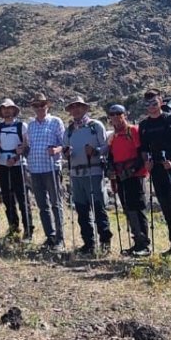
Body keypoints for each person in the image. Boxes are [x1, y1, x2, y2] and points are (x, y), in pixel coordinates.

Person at [138, 89, 171, 259]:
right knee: (165, 206)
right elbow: (143, 149)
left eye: (154, 103)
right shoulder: (144, 125)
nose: (151, 107)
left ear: (161, 101)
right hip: (156, 169)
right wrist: (146, 162)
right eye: (148, 104)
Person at [64, 96, 111, 256]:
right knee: (82, 210)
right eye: (73, 107)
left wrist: (96, 151)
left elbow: (106, 147)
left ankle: (105, 242)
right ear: (70, 111)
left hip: (94, 171)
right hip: (76, 174)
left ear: (85, 108)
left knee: (98, 208)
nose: (76, 109)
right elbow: (65, 151)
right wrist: (66, 152)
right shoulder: (69, 130)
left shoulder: (95, 126)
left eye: (79, 106)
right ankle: (88, 243)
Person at [106, 105, 150, 256]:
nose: (116, 117)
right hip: (121, 176)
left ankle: (144, 244)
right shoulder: (113, 136)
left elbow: (141, 154)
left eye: (119, 113)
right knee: (128, 208)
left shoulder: (133, 131)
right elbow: (111, 156)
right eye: (112, 114)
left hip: (135, 175)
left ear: (125, 115)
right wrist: (112, 170)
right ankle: (137, 241)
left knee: (137, 207)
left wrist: (132, 170)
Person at [25, 93, 66, 252]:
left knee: (56, 204)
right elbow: (30, 145)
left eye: (42, 105)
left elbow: (64, 144)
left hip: (51, 168)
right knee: (43, 206)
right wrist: (24, 149)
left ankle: (60, 239)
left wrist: (57, 149)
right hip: (35, 169)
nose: (39, 108)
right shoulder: (31, 125)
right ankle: (50, 236)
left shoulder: (56, 122)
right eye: (36, 105)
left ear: (47, 106)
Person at [0, 99, 32, 241]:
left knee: (22, 199)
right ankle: (13, 228)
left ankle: (28, 230)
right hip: (3, 165)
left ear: (14, 110)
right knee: (7, 198)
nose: (7, 111)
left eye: (9, 108)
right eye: (4, 109)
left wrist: (15, 158)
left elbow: (26, 146)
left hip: (19, 165)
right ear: (1, 111)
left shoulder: (22, 126)